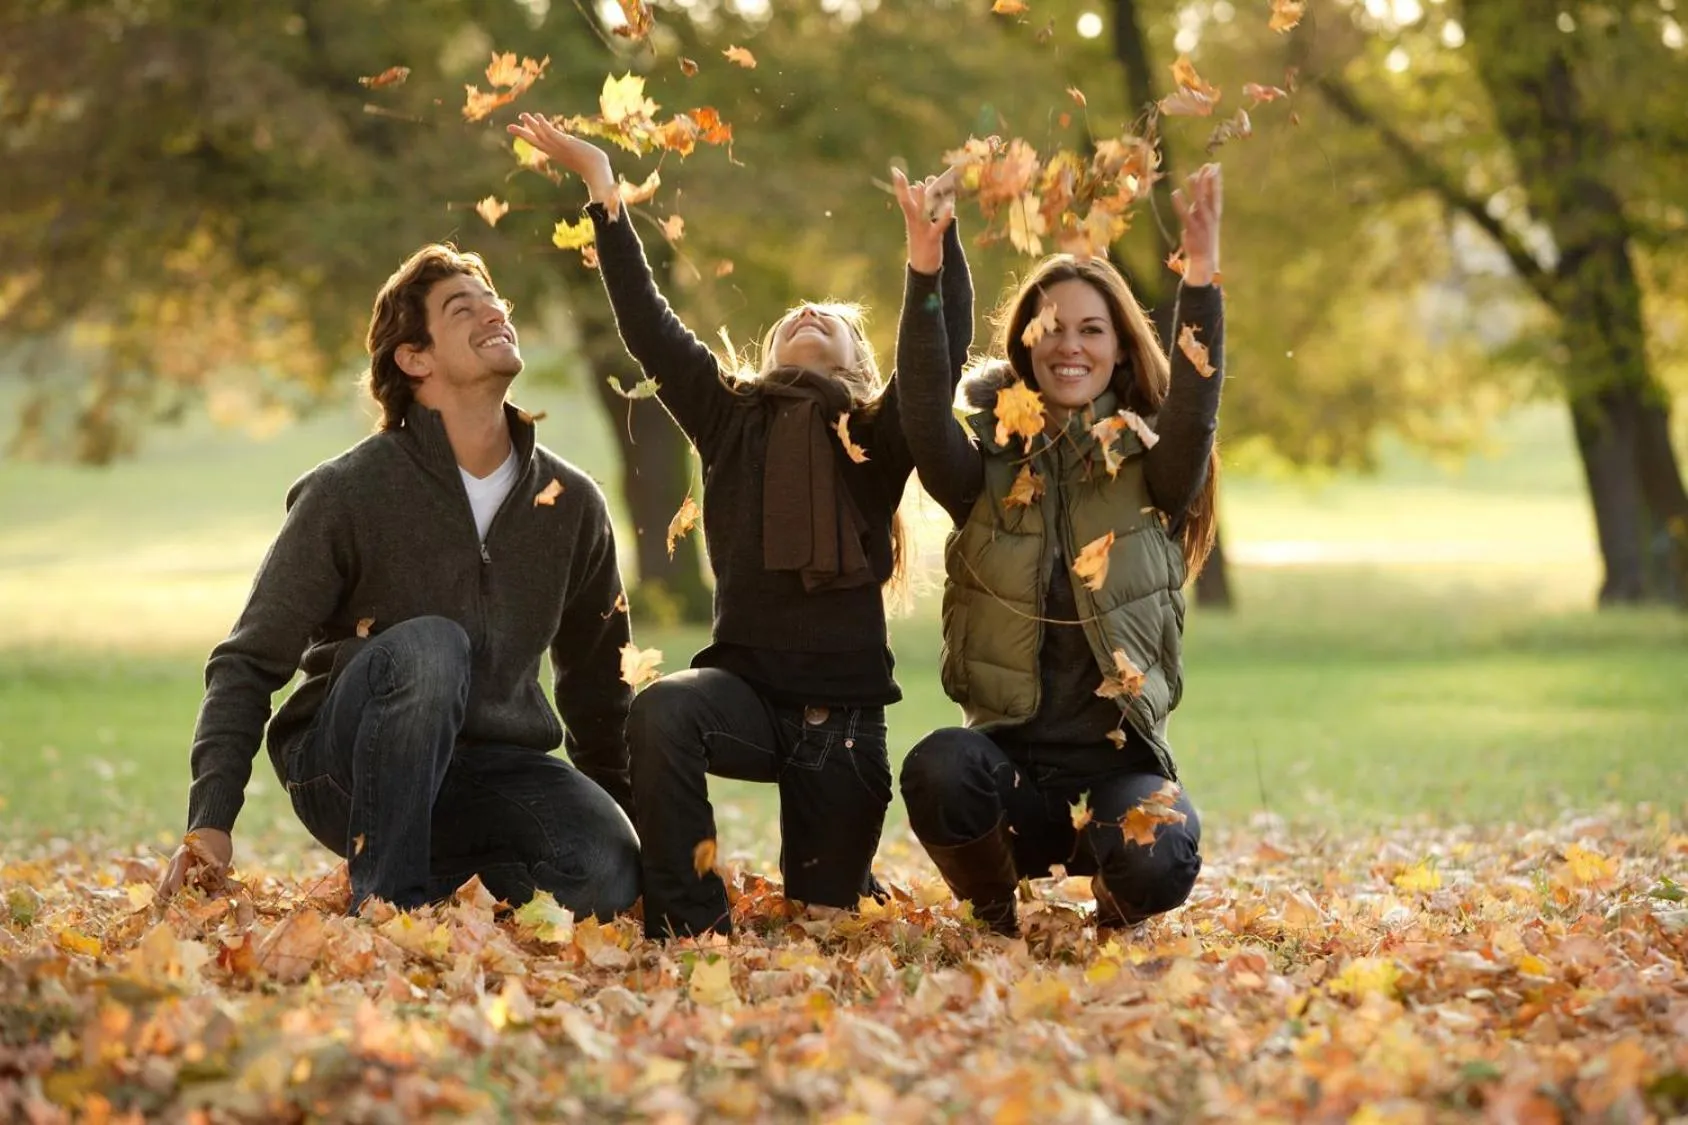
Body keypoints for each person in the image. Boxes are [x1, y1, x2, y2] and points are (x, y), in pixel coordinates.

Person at [507, 111, 973, 939]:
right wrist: (603, 191)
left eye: (829, 321)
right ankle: (690, 922)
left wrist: (932, 256)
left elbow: (938, 357)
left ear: (860, 365)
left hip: (841, 729)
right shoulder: (729, 417)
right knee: (662, 710)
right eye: (795, 316)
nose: (808, 313)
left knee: (825, 920)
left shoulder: (875, 432)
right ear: (766, 351)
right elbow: (649, 328)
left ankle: (845, 869)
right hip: (743, 701)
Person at [155, 242, 642, 918]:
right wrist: (210, 822)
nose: (494, 314)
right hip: (346, 767)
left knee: (605, 877)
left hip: (491, 774)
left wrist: (627, 826)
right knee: (430, 648)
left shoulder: (571, 502)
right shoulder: (348, 491)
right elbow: (247, 661)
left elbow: (598, 685)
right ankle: (388, 909)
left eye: (494, 302)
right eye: (462, 308)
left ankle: (447, 889)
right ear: (415, 358)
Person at [891, 164, 1225, 934]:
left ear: (1120, 348)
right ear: (1025, 344)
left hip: (1119, 776)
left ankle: (1116, 904)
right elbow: (922, 405)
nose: (1068, 345)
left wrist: (1202, 279)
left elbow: (1197, 404)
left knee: (1160, 853)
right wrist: (925, 269)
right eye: (1050, 327)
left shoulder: (1154, 469)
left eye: (1091, 329)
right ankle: (995, 913)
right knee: (940, 766)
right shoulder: (983, 470)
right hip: (1010, 778)